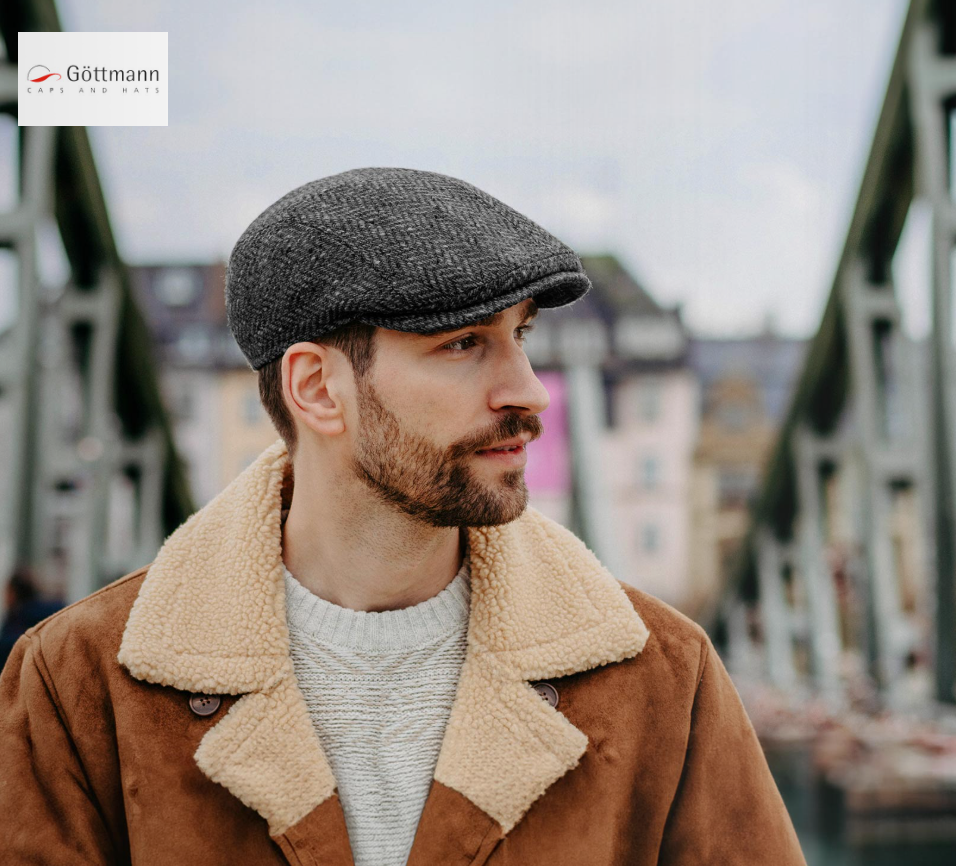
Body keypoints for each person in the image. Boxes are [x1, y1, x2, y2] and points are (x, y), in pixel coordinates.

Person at [0, 167, 807, 865]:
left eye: (521, 336)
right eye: (463, 344)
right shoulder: (79, 687)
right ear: (317, 388)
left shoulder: (663, 680)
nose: (530, 391)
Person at [0, 565, 63, 669]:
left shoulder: (19, 620)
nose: (4, 597)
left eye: (7, 591)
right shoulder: (51, 611)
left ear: (14, 593)